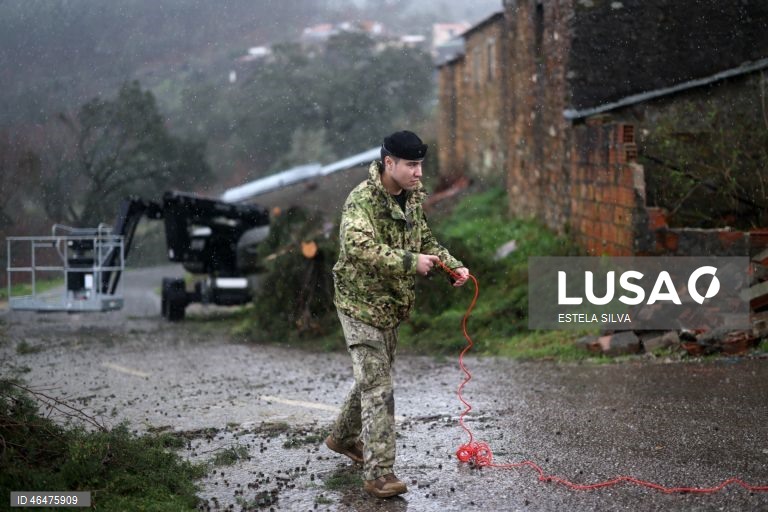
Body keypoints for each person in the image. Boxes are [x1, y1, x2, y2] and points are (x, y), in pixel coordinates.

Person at [325, 130, 469, 498]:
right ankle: (379, 475)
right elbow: (359, 248)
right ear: (389, 163)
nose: (419, 172)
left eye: (420, 164)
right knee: (379, 387)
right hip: (359, 306)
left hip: (391, 307)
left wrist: (452, 266)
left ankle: (342, 438)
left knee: (371, 379)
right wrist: (410, 262)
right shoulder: (361, 201)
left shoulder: (412, 199)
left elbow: (425, 242)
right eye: (411, 165)